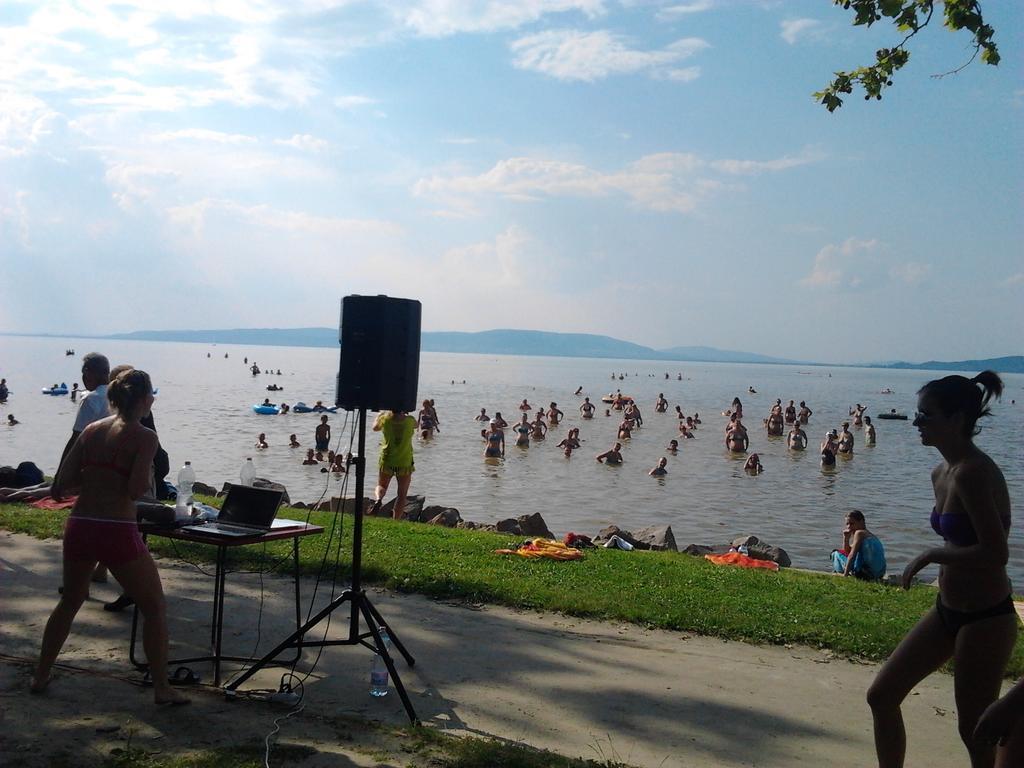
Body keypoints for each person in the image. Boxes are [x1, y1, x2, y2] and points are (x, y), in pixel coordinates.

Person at [867, 371, 1014, 768]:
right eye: (917, 415)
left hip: (985, 616)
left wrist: (932, 556)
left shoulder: (972, 472)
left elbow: (996, 553)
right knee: (881, 696)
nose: (917, 423)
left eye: (925, 415)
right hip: (947, 609)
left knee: (975, 729)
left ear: (956, 419)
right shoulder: (941, 473)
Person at [31, 369, 188, 706]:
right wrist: (141, 480)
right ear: (146, 400)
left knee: (70, 600)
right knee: (154, 608)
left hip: (81, 524)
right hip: (115, 528)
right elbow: (134, 491)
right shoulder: (144, 437)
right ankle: (162, 688)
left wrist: (98, 477)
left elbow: (62, 485)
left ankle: (40, 674)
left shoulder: (91, 430)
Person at [372, 410, 417, 520]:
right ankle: (395, 520)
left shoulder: (385, 419)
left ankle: (378, 499)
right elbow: (416, 425)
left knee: (381, 485)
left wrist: (379, 415)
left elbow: (375, 428)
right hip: (404, 461)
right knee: (402, 494)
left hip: (387, 459)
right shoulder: (410, 420)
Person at [830, 510, 886, 581]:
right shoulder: (869, 535)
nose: (849, 527)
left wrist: (845, 575)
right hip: (878, 574)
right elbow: (847, 551)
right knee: (841, 553)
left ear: (861, 522)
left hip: (866, 573)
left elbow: (851, 555)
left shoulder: (859, 533)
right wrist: (846, 538)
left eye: (852, 523)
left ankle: (841, 572)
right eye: (847, 524)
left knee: (835, 554)